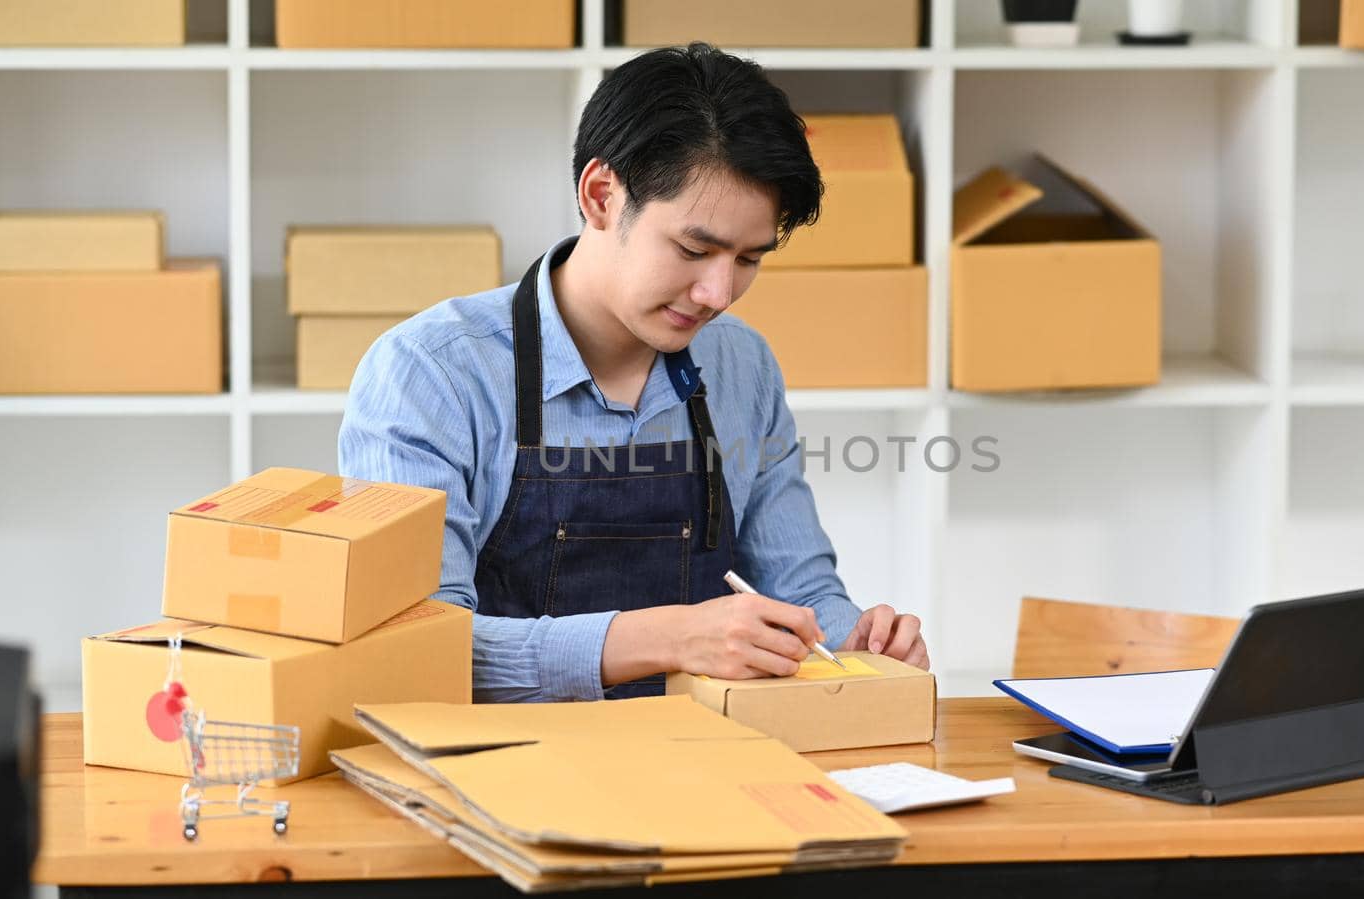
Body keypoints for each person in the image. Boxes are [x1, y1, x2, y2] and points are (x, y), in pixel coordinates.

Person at [339, 42, 927, 702]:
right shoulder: (432, 374)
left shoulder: (741, 364)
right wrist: (670, 638)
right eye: (693, 249)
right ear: (600, 195)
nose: (718, 292)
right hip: (500, 776)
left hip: (704, 766)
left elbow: (803, 589)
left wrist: (855, 643)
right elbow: (420, 648)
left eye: (749, 259)